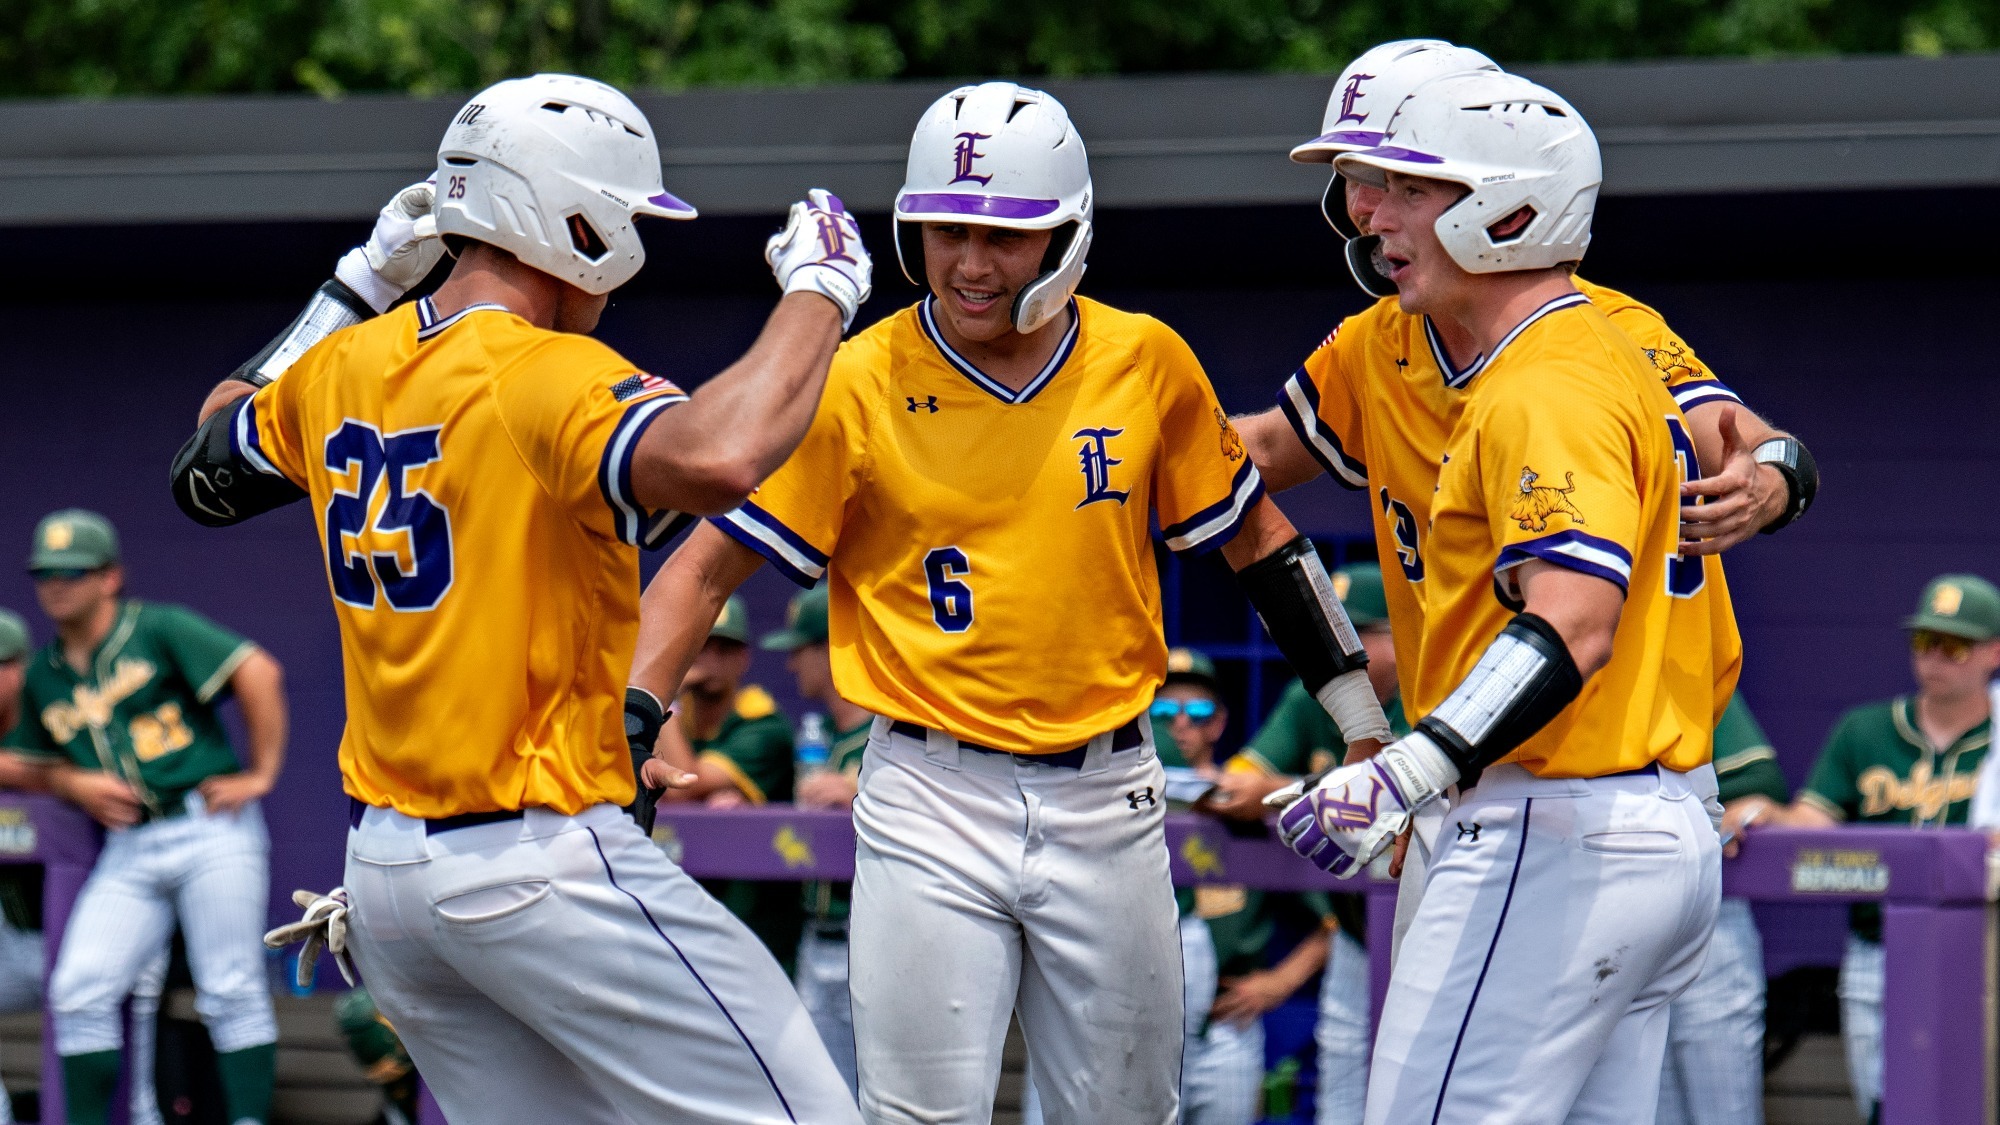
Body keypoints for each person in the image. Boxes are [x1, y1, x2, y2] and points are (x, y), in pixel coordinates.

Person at [635, 80, 1391, 1124]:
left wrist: (1361, 728)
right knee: (918, 1115)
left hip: (1113, 785)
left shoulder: (1144, 359)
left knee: (1126, 1113)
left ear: (1067, 237)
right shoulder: (858, 375)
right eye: (944, 229)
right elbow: (703, 567)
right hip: (926, 789)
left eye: (1003, 232)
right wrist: (634, 711)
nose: (968, 262)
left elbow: (1262, 547)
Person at [174, 73, 869, 1123]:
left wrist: (357, 283)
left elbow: (205, 460)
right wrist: (818, 293)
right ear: (573, 218)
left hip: (390, 877)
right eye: (625, 216)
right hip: (534, 862)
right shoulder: (540, 370)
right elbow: (721, 455)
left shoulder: (344, 366)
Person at [1267, 70, 1737, 1124]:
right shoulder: (1588, 349)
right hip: (1637, 823)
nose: (1368, 215)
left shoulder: (1539, 380)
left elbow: (1573, 621)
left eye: (1409, 188)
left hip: (1549, 822)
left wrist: (1404, 771)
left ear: (1508, 203)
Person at [1240, 40, 1819, 586]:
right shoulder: (1378, 340)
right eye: (1350, 176)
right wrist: (1153, 430)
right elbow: (1262, 451)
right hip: (1465, 689)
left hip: (1607, 686)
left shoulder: (1602, 329)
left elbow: (1752, 446)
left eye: (1392, 178)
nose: (1366, 206)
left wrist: (1769, 484)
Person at [4, 510, 286, 1125]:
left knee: (230, 988)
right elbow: (11, 762)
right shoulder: (47, 672)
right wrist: (67, 780)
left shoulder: (157, 628)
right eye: (46, 574)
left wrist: (260, 774)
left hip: (209, 827)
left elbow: (258, 670)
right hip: (131, 844)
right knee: (79, 990)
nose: (57, 586)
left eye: (73, 572)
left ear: (110, 577)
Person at [1729, 573, 2000, 1123]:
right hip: (1876, 949)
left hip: (1985, 951)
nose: (1935, 659)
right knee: (1883, 1107)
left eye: (1954, 645)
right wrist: (1759, 812)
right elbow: (1812, 821)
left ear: (1993, 651)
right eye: (1925, 642)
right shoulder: (1866, 729)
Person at [1208, 564, 1399, 1125]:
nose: (1333, 652)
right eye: (1327, 635)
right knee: (1342, 1104)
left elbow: (1396, 793)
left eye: (1353, 636)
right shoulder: (1311, 696)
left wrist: (1276, 790)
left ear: (1395, 638)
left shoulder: (1422, 692)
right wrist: (1263, 787)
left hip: (1425, 930)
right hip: (1353, 935)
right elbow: (1239, 778)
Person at [1158, 648, 1334, 1125]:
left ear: (1217, 723)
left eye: (1196, 711)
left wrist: (1280, 981)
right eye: (1161, 710)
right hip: (1141, 1026)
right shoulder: (1119, 803)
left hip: (1225, 1025)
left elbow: (1338, 912)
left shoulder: (1247, 806)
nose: (1180, 724)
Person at [1656, 691, 1788, 1125]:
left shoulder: (1678, 662)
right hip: (1598, 913)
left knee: (1722, 1111)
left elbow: (1759, 782)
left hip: (1705, 908)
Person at [762, 583, 873, 1096]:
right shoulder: (825, 739)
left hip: (869, 942)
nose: (791, 665)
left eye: (799, 650)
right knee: (821, 1097)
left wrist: (859, 793)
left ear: (828, 650)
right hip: (817, 935)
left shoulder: (884, 739)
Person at [658, 596, 803, 967]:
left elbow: (680, 786)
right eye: (700, 645)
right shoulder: (675, 722)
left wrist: (667, 693)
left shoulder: (764, 724)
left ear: (744, 659)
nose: (710, 660)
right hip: (681, 920)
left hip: (755, 928)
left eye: (724, 649)